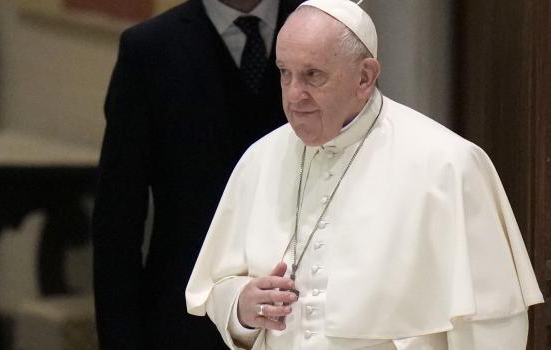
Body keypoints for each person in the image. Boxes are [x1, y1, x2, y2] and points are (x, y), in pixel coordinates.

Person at [185, 0, 544, 349]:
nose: (294, 95)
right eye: (284, 73)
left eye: (313, 75)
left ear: (364, 77)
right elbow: (220, 286)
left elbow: (492, 325)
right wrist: (240, 308)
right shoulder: (260, 159)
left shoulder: (448, 164)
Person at [91, 0, 300, 349]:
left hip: (300, 312)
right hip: (183, 319)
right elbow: (117, 222)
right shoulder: (149, 49)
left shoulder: (318, 28)